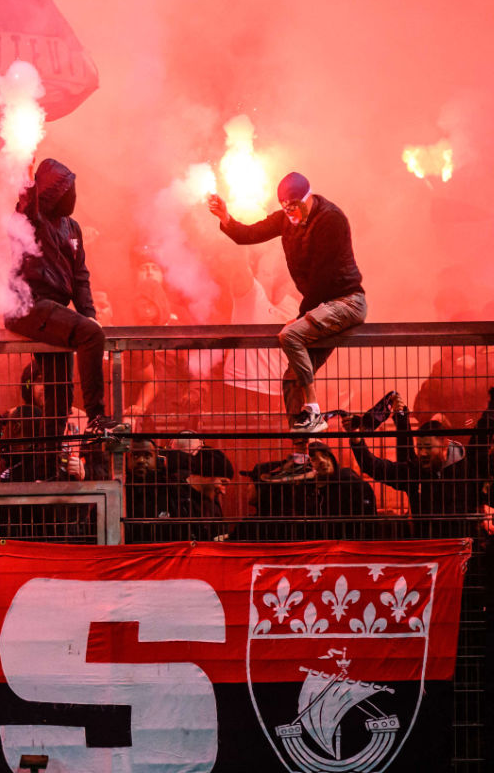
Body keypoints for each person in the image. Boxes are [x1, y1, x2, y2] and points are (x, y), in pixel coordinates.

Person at [208, 171, 365, 434]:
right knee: (292, 376)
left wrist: (302, 316)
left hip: (344, 302)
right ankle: (302, 443)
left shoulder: (330, 220)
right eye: (285, 207)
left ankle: (313, 413)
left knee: (291, 335)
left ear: (307, 198)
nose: (290, 213)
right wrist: (226, 217)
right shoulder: (284, 221)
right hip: (318, 310)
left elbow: (323, 277)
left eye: (294, 206)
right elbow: (248, 234)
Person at [4, 159, 121, 437]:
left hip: (55, 311)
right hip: (27, 306)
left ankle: (49, 461)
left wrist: (89, 314)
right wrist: (26, 178)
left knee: (59, 398)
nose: (71, 195)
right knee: (90, 335)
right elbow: (26, 206)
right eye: (65, 188)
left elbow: (80, 276)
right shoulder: (31, 219)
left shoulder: (73, 228)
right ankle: (96, 417)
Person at [349, 389, 492, 538]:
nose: (422, 453)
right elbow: (374, 466)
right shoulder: (415, 471)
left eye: (428, 448)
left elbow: (484, 431)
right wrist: (356, 440)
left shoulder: (468, 468)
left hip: (462, 547)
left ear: (444, 447)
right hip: (426, 546)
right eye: (420, 448)